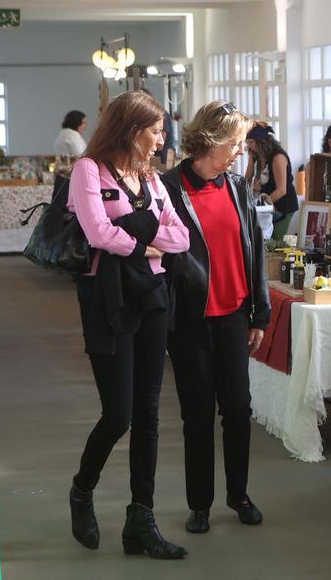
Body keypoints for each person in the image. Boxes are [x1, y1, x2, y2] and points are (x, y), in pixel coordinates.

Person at [66, 91, 191, 560]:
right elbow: (97, 233)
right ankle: (82, 490)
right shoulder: (89, 170)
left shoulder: (152, 179)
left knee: (150, 414)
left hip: (153, 296)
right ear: (130, 129)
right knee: (119, 413)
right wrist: (146, 242)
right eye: (155, 131)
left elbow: (179, 235)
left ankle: (141, 519)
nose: (161, 140)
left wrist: (140, 236)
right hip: (108, 299)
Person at [161, 101, 270, 535]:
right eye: (235, 143)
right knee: (197, 414)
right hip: (190, 321)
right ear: (210, 140)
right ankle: (200, 503)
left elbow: (255, 250)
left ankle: (238, 494)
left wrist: (259, 313)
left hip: (233, 318)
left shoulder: (237, 186)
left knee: (238, 410)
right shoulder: (169, 188)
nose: (241, 151)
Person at [244, 122, 298, 240]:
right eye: (247, 142)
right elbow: (247, 178)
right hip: (266, 207)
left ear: (263, 141)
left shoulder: (278, 157)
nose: (249, 146)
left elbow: (281, 190)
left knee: (275, 243)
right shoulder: (255, 154)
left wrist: (261, 205)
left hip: (283, 207)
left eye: (252, 142)